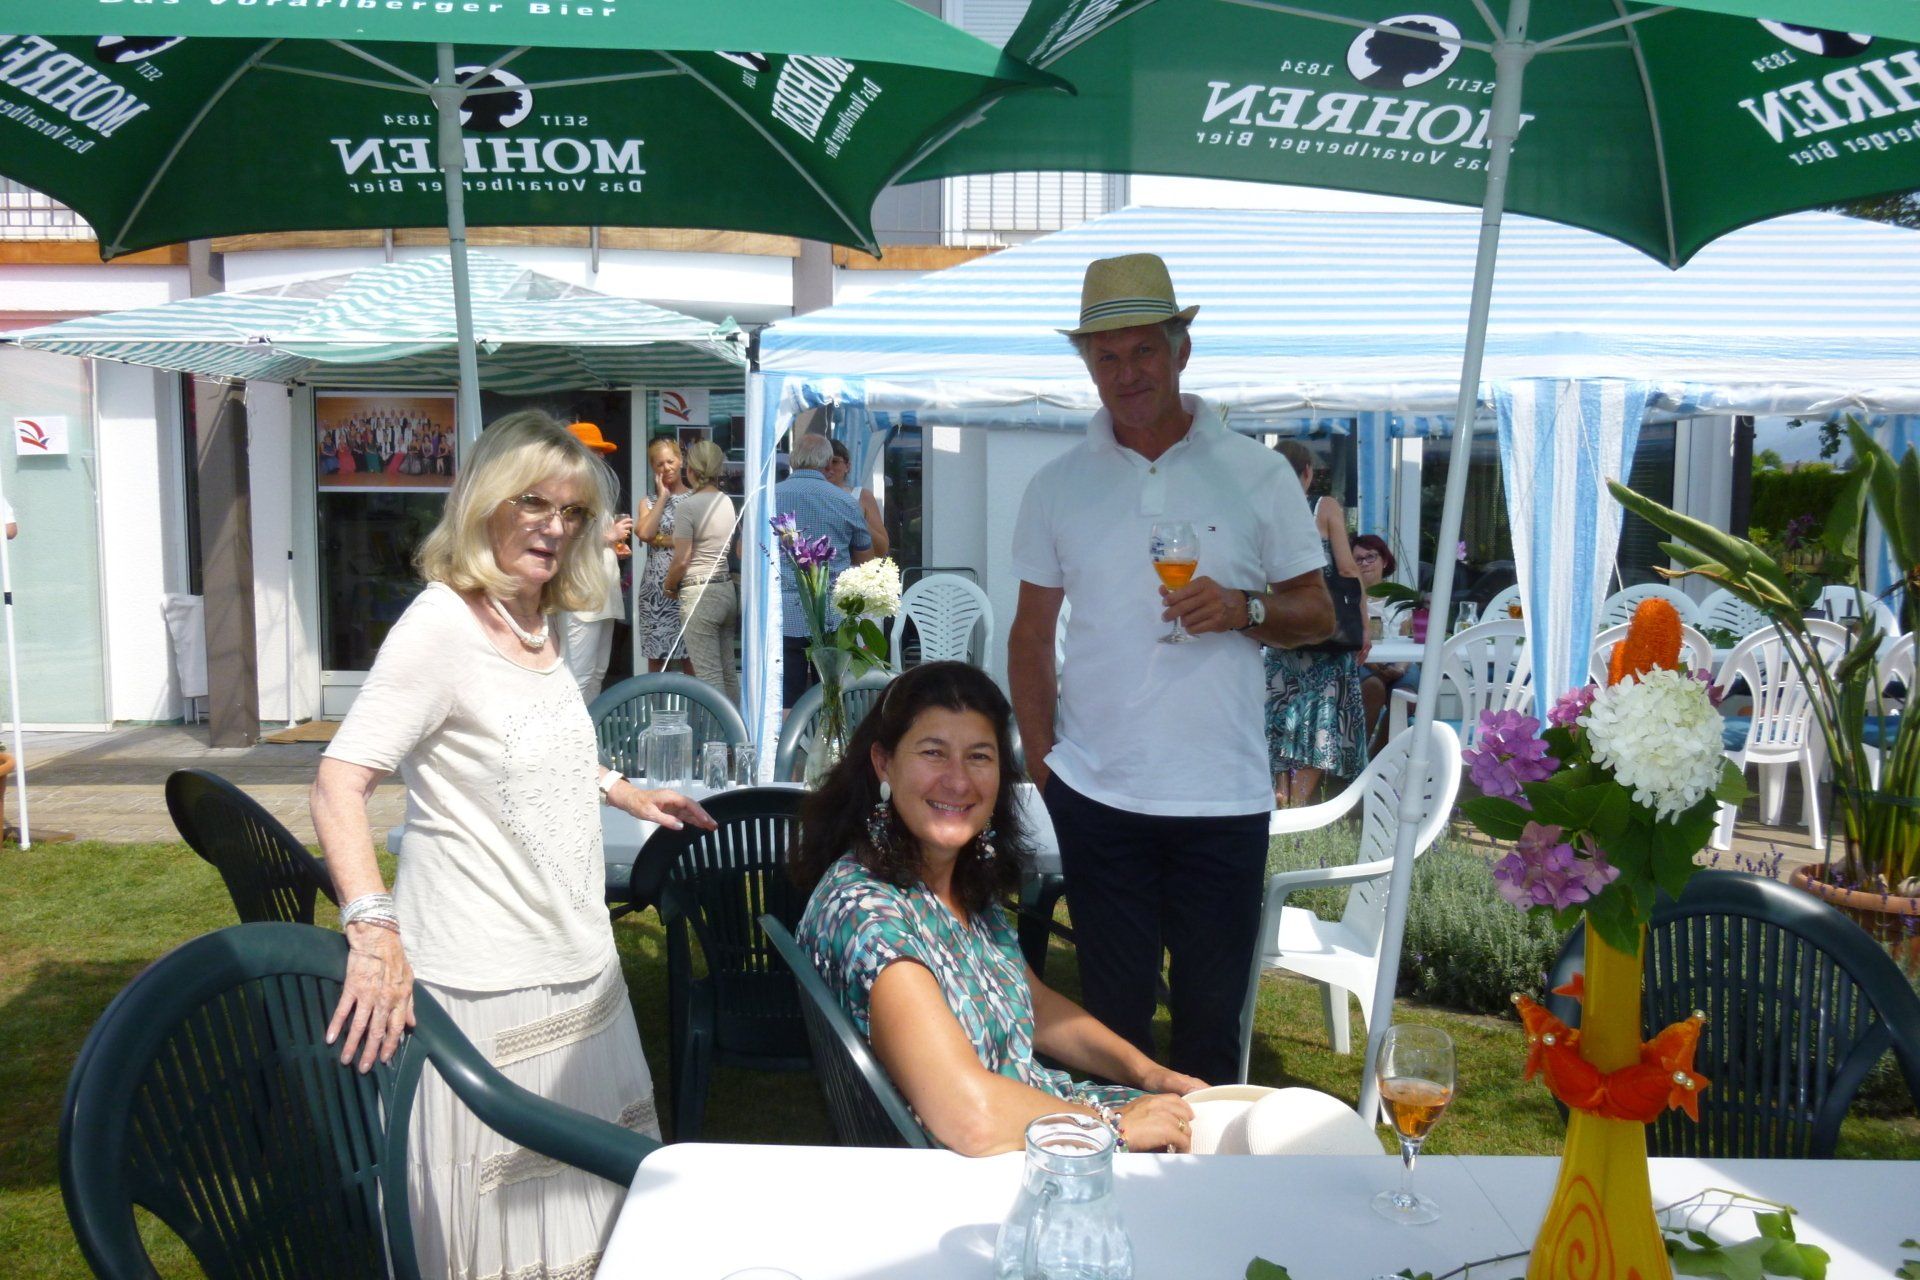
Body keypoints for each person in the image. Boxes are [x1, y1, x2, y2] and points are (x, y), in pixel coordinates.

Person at [311, 410, 714, 1280]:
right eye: (533, 503)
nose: (555, 527)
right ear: (484, 502)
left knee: (593, 1225)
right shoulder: (440, 627)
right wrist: (373, 929)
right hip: (487, 988)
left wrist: (621, 788)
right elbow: (338, 781)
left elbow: (535, 739)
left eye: (571, 512)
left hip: (579, 966)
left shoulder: (537, 621)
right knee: (502, 1239)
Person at [1006, 253, 1332, 1086]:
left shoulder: (1257, 473)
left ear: (1182, 350)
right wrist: (1045, 764)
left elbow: (1319, 614)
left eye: (1144, 350)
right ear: (1087, 365)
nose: (1127, 373)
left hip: (1222, 797)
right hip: (1098, 796)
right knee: (1114, 1035)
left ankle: (1206, 1170)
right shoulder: (1056, 485)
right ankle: (1121, 1168)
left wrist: (1245, 609)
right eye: (1106, 356)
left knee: (1210, 1032)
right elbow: (1030, 634)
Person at [793, 661, 1203, 1155]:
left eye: (979, 757)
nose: (958, 781)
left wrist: (1148, 1072)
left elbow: (1036, 1005)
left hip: (1036, 1120)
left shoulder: (957, 887)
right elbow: (967, 1117)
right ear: (883, 763)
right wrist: (1112, 1127)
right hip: (993, 1161)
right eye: (933, 752)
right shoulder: (870, 915)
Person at [1265, 441, 1370, 807]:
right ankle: (1297, 804)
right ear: (1307, 471)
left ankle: (1281, 797)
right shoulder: (1323, 507)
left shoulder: (1264, 510)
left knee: (1283, 713)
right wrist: (1364, 622)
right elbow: (1347, 568)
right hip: (1326, 628)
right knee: (1320, 719)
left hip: (1282, 627)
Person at [773, 433, 874, 709]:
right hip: (831, 614)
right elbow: (865, 560)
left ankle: (790, 738)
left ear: (793, 460)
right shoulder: (845, 502)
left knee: (786, 698)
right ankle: (828, 735)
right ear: (828, 462)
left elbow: (743, 553)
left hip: (782, 613)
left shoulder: (769, 497)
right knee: (830, 694)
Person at [557, 423, 634, 704]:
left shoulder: (591, 489)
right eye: (595, 451)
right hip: (581, 593)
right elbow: (562, 536)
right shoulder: (565, 489)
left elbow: (586, 538)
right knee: (578, 675)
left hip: (600, 593)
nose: (601, 458)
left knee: (596, 674)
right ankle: (569, 730)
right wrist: (608, 537)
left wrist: (612, 546)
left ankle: (589, 729)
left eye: (602, 453)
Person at [663, 439, 740, 703]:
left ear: (690, 470)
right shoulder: (726, 501)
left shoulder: (687, 506)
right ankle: (738, 727)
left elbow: (682, 559)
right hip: (725, 589)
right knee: (728, 672)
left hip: (699, 593)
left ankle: (718, 729)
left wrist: (669, 585)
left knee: (709, 677)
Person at [633, 436, 690, 674]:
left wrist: (661, 539)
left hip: (686, 585)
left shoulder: (695, 499)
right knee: (657, 659)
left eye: (670, 461)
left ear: (680, 460)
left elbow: (697, 540)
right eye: (659, 464)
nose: (666, 467)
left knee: (690, 657)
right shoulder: (649, 502)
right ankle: (656, 700)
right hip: (655, 591)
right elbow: (644, 532)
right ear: (653, 468)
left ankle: (692, 700)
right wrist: (663, 497)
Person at [1352, 533, 1410, 754]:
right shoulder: (1349, 599)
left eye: (1371, 557)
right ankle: (1356, 757)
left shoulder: (1401, 599)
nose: (1365, 563)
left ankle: (1377, 755)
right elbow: (1350, 644)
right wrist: (1378, 668)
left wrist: (1400, 668)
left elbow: (1409, 640)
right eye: (1358, 559)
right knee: (1374, 687)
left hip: (1400, 664)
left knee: (1409, 694)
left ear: (1384, 561)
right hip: (1362, 662)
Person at [826, 437, 889, 559]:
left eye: (834, 461)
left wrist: (858, 521)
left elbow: (882, 549)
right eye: (823, 463)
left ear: (847, 466)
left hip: (855, 567)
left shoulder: (862, 496)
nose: (829, 468)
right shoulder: (810, 496)